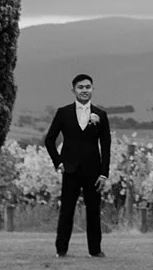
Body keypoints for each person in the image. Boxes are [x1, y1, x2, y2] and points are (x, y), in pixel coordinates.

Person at [44, 72, 112, 258]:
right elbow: (49, 140)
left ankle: (95, 250)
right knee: (67, 211)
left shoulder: (101, 115)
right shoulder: (63, 113)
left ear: (92, 89)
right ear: (73, 90)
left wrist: (104, 173)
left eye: (88, 87)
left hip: (93, 171)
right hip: (70, 169)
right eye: (80, 87)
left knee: (93, 211)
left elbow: (106, 146)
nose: (84, 90)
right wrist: (58, 162)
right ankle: (61, 250)